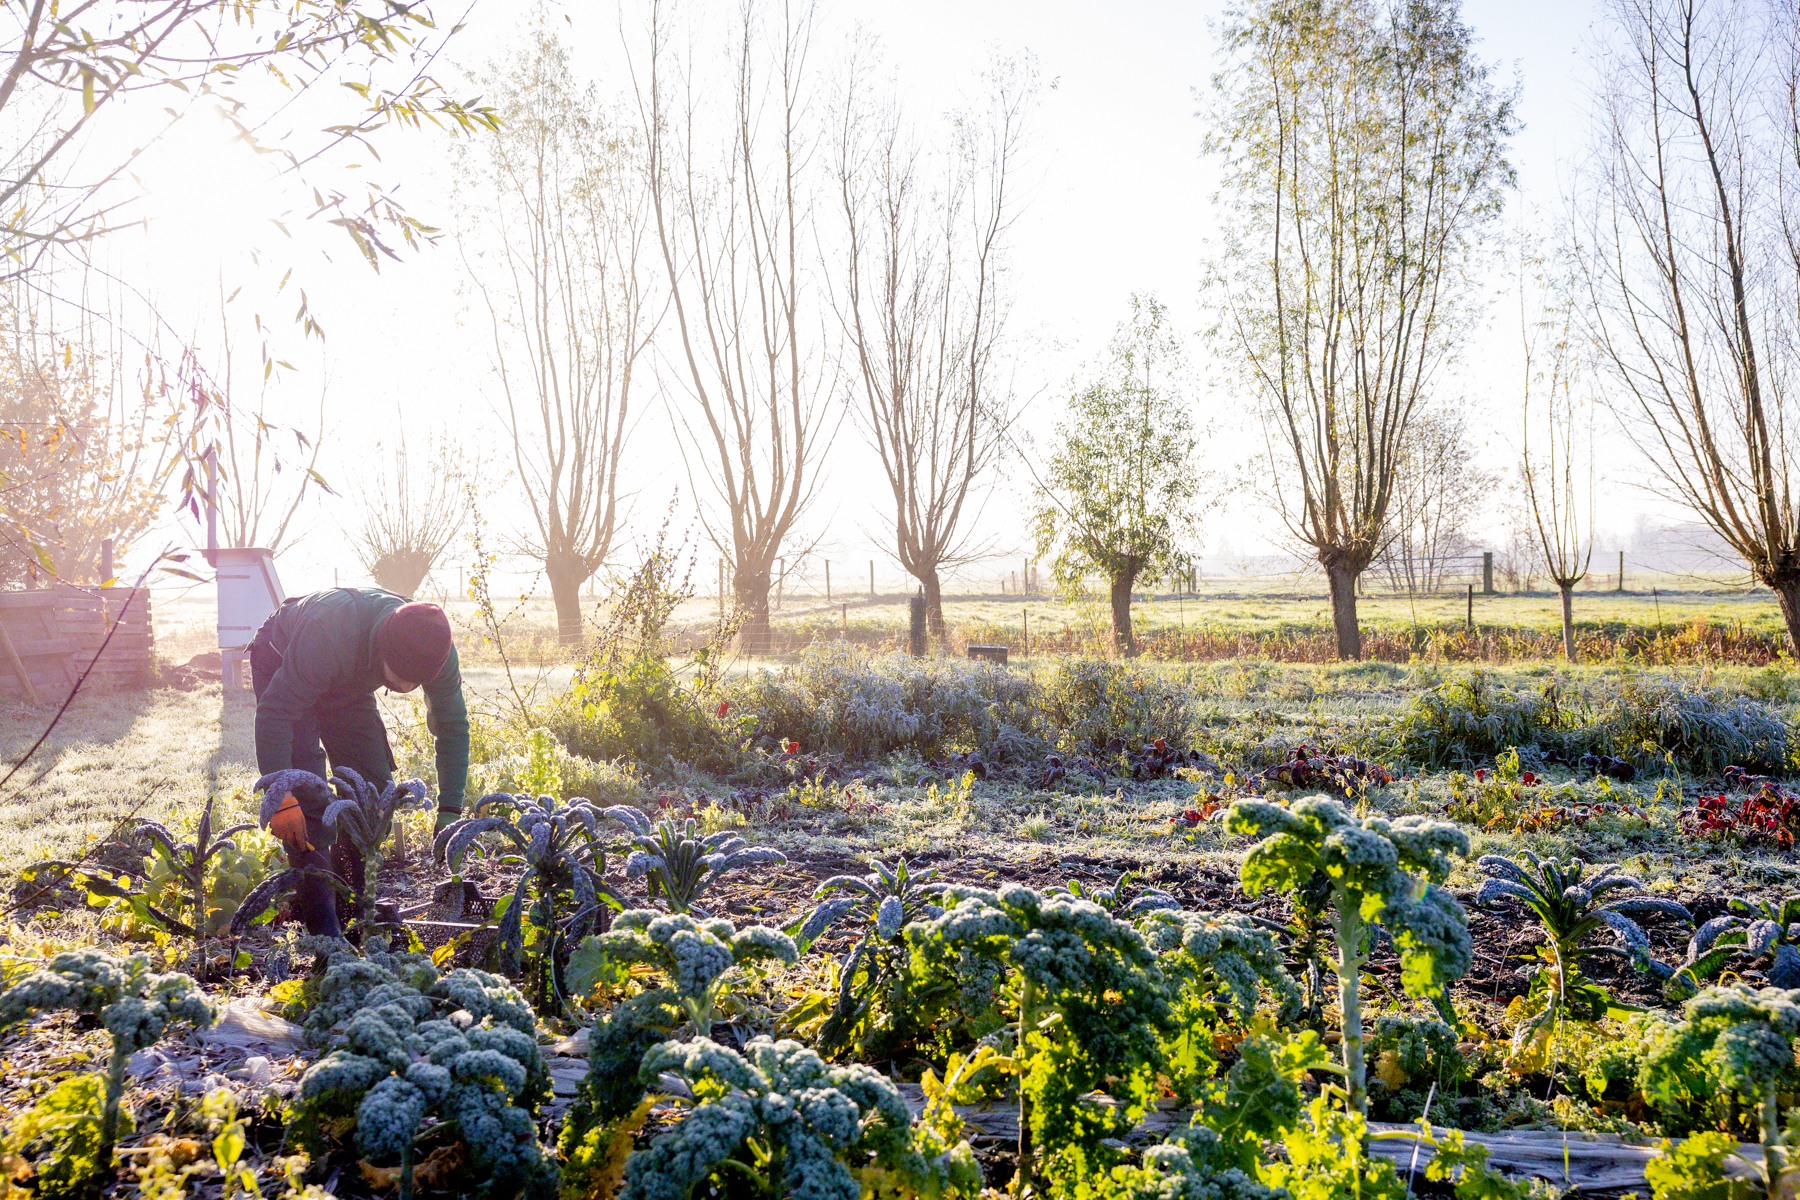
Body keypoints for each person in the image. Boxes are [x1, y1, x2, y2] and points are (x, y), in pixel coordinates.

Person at [250, 587, 469, 936]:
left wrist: (450, 811)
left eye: (418, 681)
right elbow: (275, 714)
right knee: (309, 795)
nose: (411, 686)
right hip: (284, 659)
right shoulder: (330, 633)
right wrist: (281, 798)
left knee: (374, 792)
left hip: (347, 679)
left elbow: (453, 726)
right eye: (401, 677)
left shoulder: (435, 648)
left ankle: (350, 903)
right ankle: (324, 929)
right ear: (383, 648)